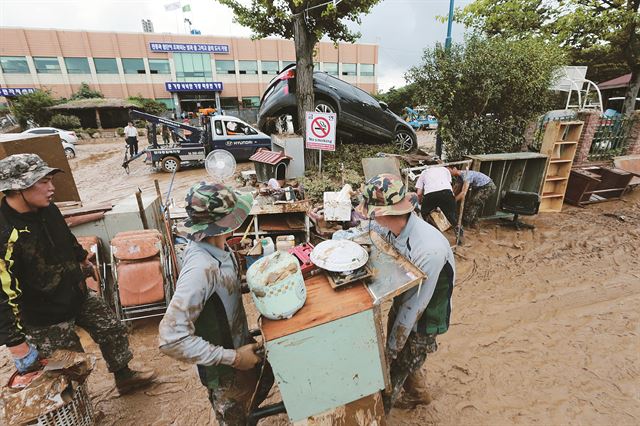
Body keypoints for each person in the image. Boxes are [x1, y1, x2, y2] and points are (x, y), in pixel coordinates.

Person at [0, 154, 155, 394]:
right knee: (69, 367)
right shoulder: (5, 232)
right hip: (44, 316)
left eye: (51, 179)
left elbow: (64, 237)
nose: (52, 187)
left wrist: (82, 258)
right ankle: (78, 408)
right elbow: (2, 295)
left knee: (112, 328)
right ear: (18, 188)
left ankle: (125, 377)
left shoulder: (47, 208)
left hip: (76, 293)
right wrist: (16, 343)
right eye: (43, 182)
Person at [159, 182, 273, 425]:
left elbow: (224, 290)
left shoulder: (219, 247)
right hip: (223, 370)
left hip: (239, 342)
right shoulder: (200, 268)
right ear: (225, 222)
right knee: (235, 416)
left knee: (262, 385)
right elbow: (171, 338)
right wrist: (232, 357)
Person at [357, 174, 455, 412]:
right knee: (406, 355)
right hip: (406, 298)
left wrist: (391, 349)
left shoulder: (428, 248)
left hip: (427, 313)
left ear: (382, 213)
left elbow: (415, 307)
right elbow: (371, 239)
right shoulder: (395, 227)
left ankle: (384, 410)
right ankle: (420, 393)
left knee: (396, 365)